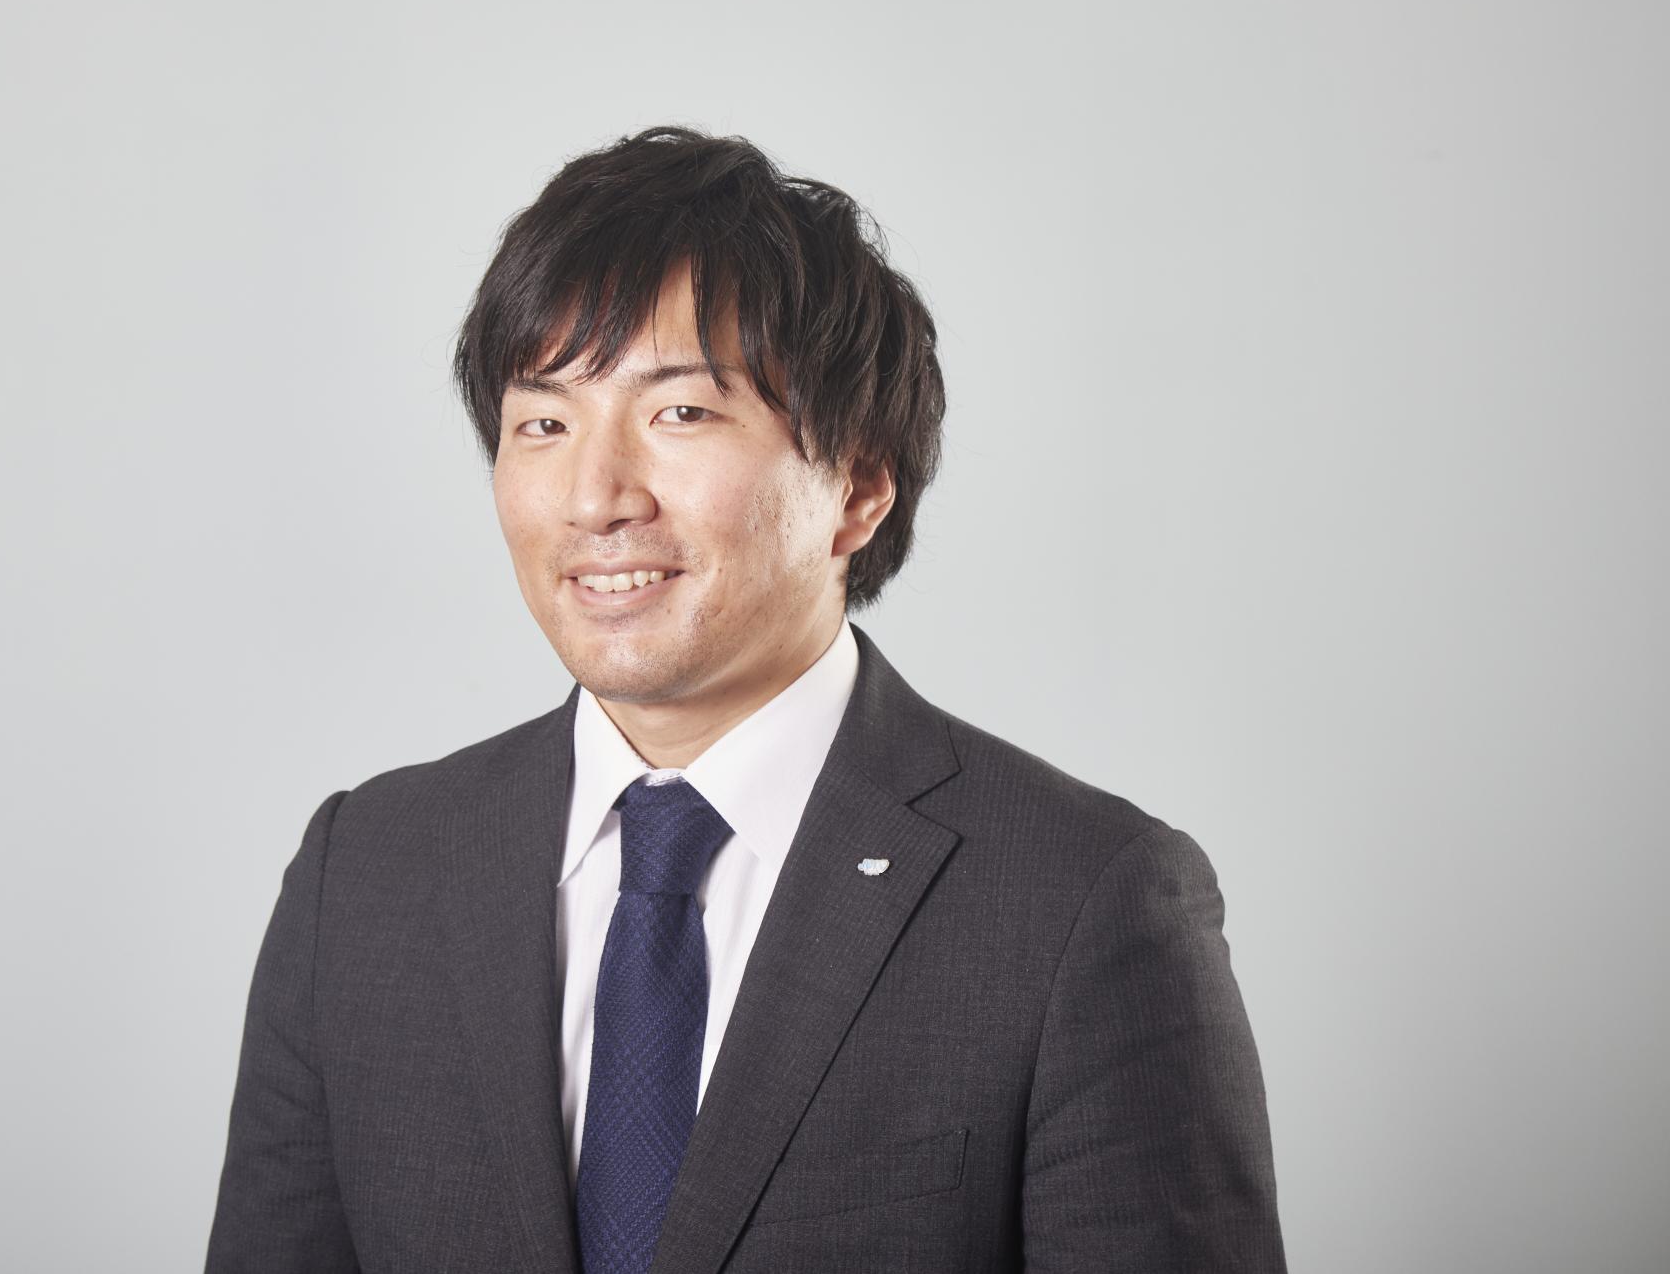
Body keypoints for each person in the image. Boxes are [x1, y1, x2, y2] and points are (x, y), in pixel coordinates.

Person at [204, 125, 1287, 1273]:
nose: (593, 496)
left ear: (856, 484)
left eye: (678, 412)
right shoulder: (364, 874)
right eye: (543, 422)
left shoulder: (1083, 900)